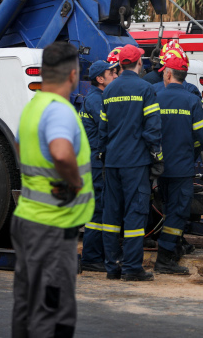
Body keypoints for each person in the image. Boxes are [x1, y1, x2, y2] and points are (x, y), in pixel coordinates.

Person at [11, 42, 95, 338]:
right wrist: (75, 182)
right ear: (73, 74)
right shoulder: (60, 110)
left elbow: (21, 151)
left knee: (26, 304)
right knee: (52, 310)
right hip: (52, 225)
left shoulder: (32, 107)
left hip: (28, 219)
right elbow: (60, 153)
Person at [98, 44, 162, 281]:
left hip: (112, 162)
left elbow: (103, 130)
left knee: (111, 215)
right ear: (138, 63)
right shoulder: (146, 89)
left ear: (120, 65)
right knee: (135, 214)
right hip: (135, 163)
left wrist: (104, 156)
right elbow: (153, 128)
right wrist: (157, 157)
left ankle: (112, 266)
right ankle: (132, 267)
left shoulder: (109, 90)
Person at [154, 47, 203, 274]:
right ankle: (165, 259)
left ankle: (168, 254)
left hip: (159, 168)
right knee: (178, 212)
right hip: (182, 168)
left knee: (167, 209)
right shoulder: (193, 102)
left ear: (168, 74)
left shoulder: (154, 97)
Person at [78, 59, 119, 272]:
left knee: (100, 209)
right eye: (111, 73)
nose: (115, 75)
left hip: (95, 161)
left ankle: (97, 254)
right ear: (100, 79)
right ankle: (92, 257)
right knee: (98, 210)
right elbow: (110, 125)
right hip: (96, 163)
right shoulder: (96, 100)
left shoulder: (97, 97)